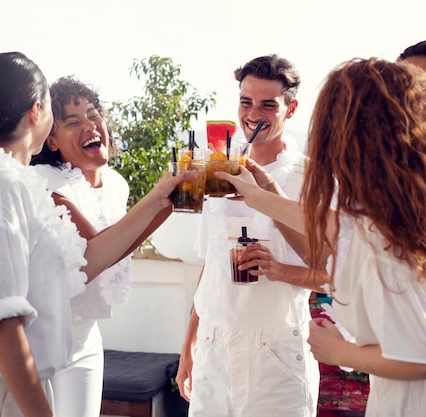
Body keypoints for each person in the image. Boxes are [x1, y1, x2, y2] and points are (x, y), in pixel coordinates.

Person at [0, 52, 194, 417]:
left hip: (6, 390)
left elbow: (85, 262)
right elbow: (1, 320)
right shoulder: (1, 185)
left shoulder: (10, 182)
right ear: (36, 112)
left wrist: (163, 196)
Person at [220, 57, 426, 416]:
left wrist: (339, 352)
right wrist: (263, 194)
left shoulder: (388, 230)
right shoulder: (399, 213)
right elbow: (338, 227)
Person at [175, 54, 321, 417]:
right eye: (246, 101)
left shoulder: (313, 179)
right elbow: (211, 266)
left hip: (275, 354)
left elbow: (336, 272)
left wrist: (280, 269)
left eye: (268, 105)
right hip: (213, 348)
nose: (253, 114)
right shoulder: (215, 172)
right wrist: (189, 344)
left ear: (291, 109)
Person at [31, 76, 163, 417]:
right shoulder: (46, 181)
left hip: (86, 337)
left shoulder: (116, 184)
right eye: (73, 122)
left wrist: (176, 197)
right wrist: (163, 193)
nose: (89, 125)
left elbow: (127, 240)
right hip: (40, 340)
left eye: (93, 114)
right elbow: (99, 250)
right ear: (52, 140)